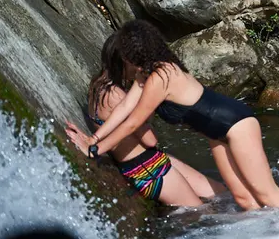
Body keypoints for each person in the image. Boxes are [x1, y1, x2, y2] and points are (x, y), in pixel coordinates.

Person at [67, 20, 279, 210]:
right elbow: (123, 110)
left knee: (267, 194)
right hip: (216, 132)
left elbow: (133, 123)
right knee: (243, 199)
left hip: (236, 124)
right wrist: (93, 140)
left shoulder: (161, 76)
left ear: (133, 53)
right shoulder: (145, 75)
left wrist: (95, 151)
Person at [65, 35, 225, 207]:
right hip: (148, 170)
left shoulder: (97, 86)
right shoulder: (117, 95)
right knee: (203, 213)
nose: (140, 66)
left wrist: (94, 139)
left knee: (220, 193)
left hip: (148, 162)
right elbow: (150, 140)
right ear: (125, 61)